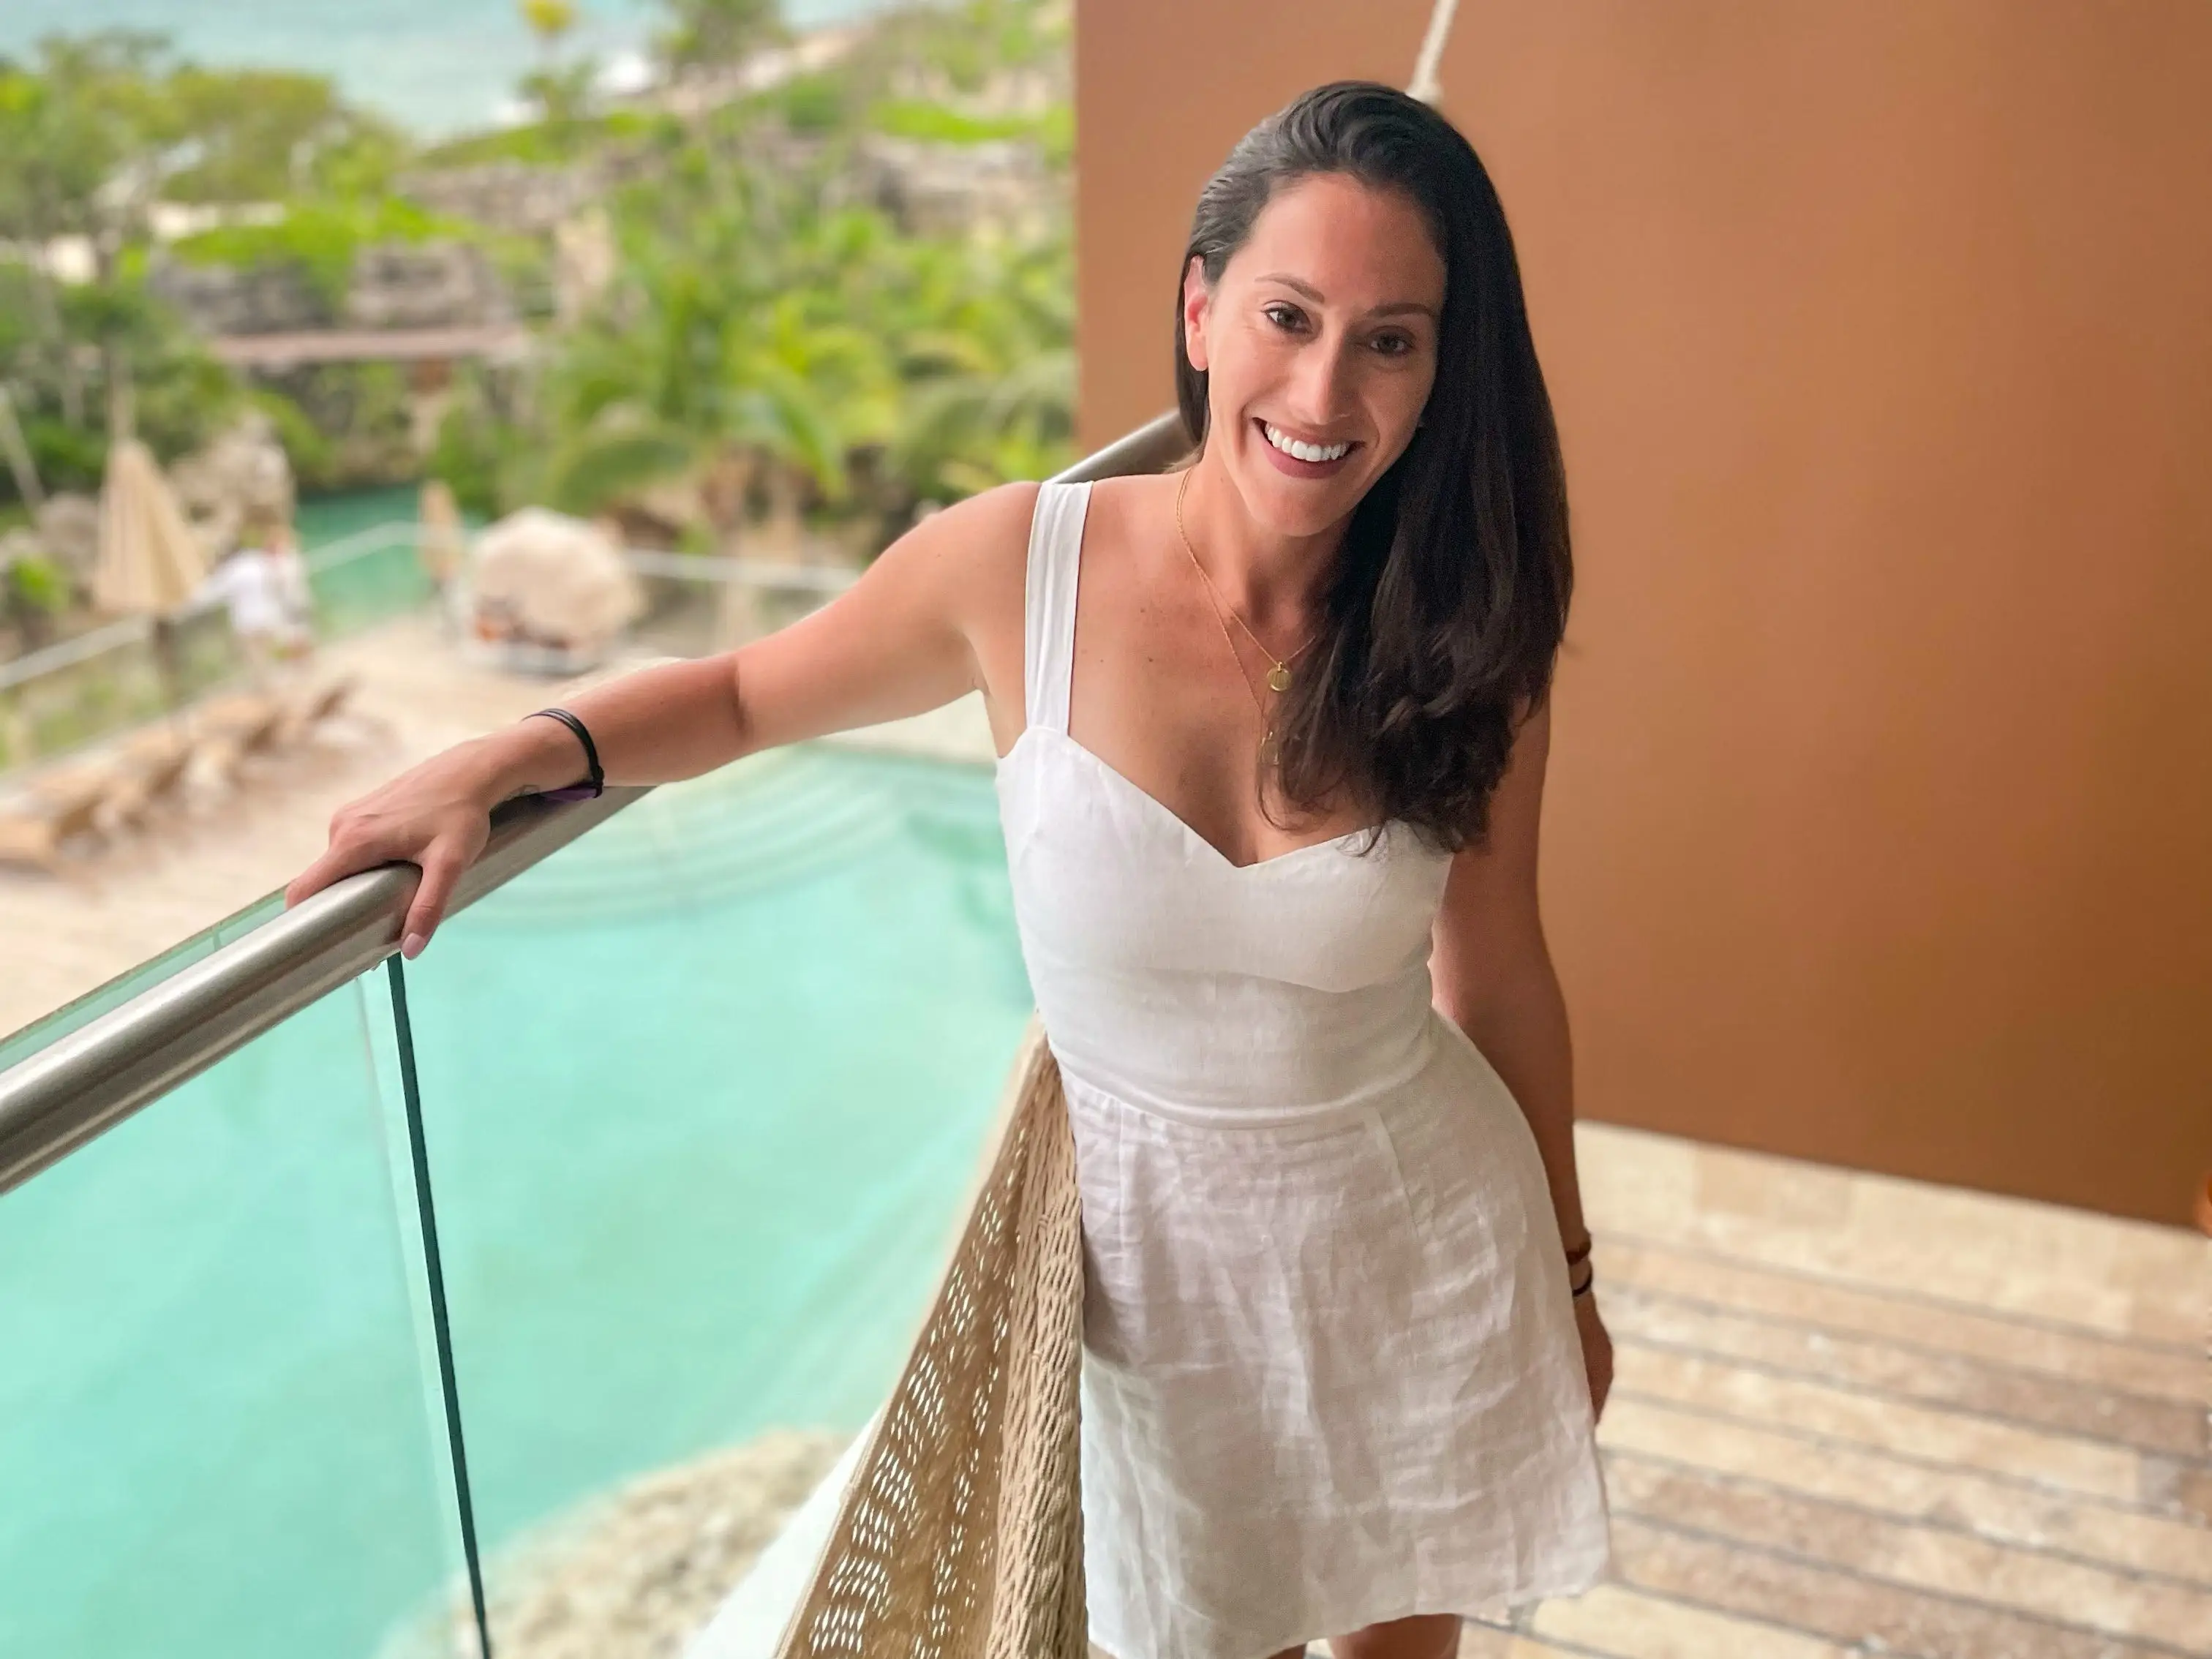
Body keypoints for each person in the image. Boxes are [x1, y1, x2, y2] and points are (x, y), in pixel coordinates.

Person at [287, 82, 1612, 1659]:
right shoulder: (1022, 568)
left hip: (1413, 1244)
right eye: (1287, 313)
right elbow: (740, 691)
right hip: (1141, 1285)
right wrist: (516, 749)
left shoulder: (1464, 632)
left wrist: (1568, 1275)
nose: (1326, 386)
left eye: (1392, 338)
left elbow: (1502, 970)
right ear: (1199, 311)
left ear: (1442, 371)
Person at [199, 508, 312, 674]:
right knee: (281, 647)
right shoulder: (261, 562)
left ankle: (283, 680)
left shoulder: (235, 571)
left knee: (261, 659)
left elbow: (212, 594)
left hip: (250, 621)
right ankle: (294, 672)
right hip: (270, 615)